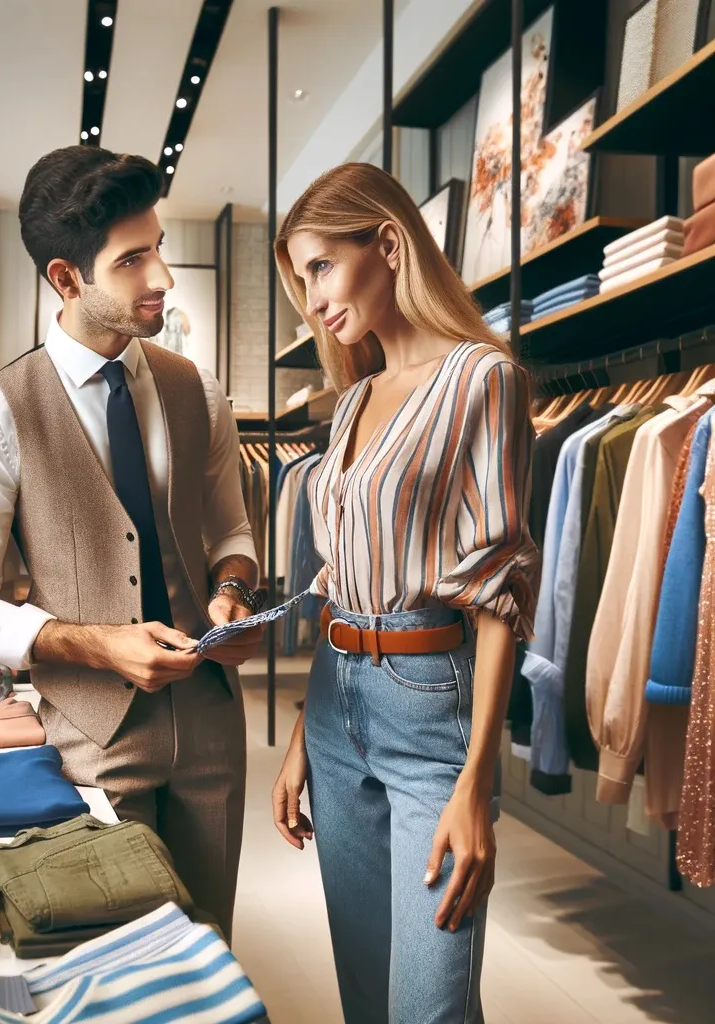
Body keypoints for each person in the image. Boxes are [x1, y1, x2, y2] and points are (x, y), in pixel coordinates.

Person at [0, 145, 263, 938]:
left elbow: (232, 528)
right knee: (111, 956)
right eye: (132, 260)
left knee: (209, 944)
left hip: (214, 727)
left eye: (159, 249)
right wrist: (96, 646)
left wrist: (234, 590)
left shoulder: (199, 390)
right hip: (93, 735)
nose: (162, 279)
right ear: (65, 278)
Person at [270, 163, 540, 1023]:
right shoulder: (350, 405)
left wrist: (475, 782)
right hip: (333, 703)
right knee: (365, 995)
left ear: (387, 243)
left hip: (432, 709)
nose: (311, 300)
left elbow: (498, 595)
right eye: (299, 280)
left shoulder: (482, 378)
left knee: (431, 1005)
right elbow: (338, 579)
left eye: (319, 267)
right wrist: (299, 742)